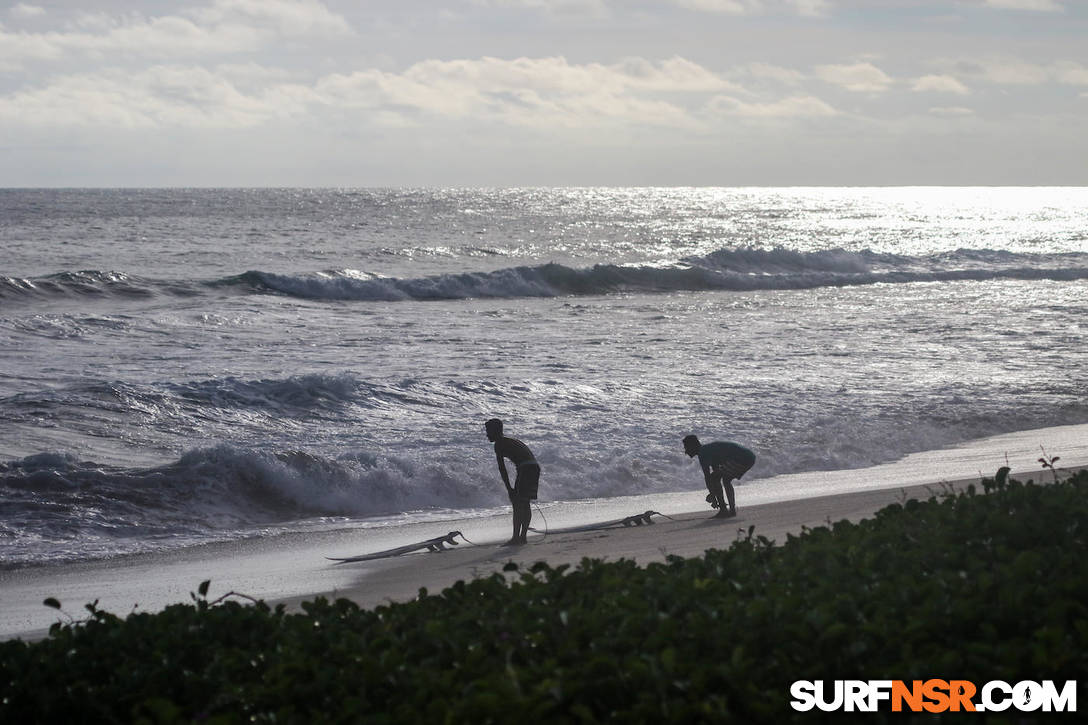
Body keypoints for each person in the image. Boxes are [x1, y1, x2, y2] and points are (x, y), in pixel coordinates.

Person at [485, 418, 541, 545]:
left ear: (496, 431)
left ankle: (516, 538)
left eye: (488, 431)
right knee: (525, 503)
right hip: (534, 467)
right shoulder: (510, 440)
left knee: (517, 503)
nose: (487, 434)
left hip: (526, 469)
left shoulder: (499, 444)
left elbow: (502, 469)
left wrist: (509, 489)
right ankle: (522, 537)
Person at [683, 434, 755, 519]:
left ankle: (724, 510)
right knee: (724, 479)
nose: (686, 451)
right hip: (749, 457)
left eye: (686, 447)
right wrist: (713, 494)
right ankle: (730, 510)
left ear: (693, 446)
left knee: (718, 479)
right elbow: (716, 472)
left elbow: (708, 478)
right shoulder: (707, 450)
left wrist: (713, 496)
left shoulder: (703, 453)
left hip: (743, 458)